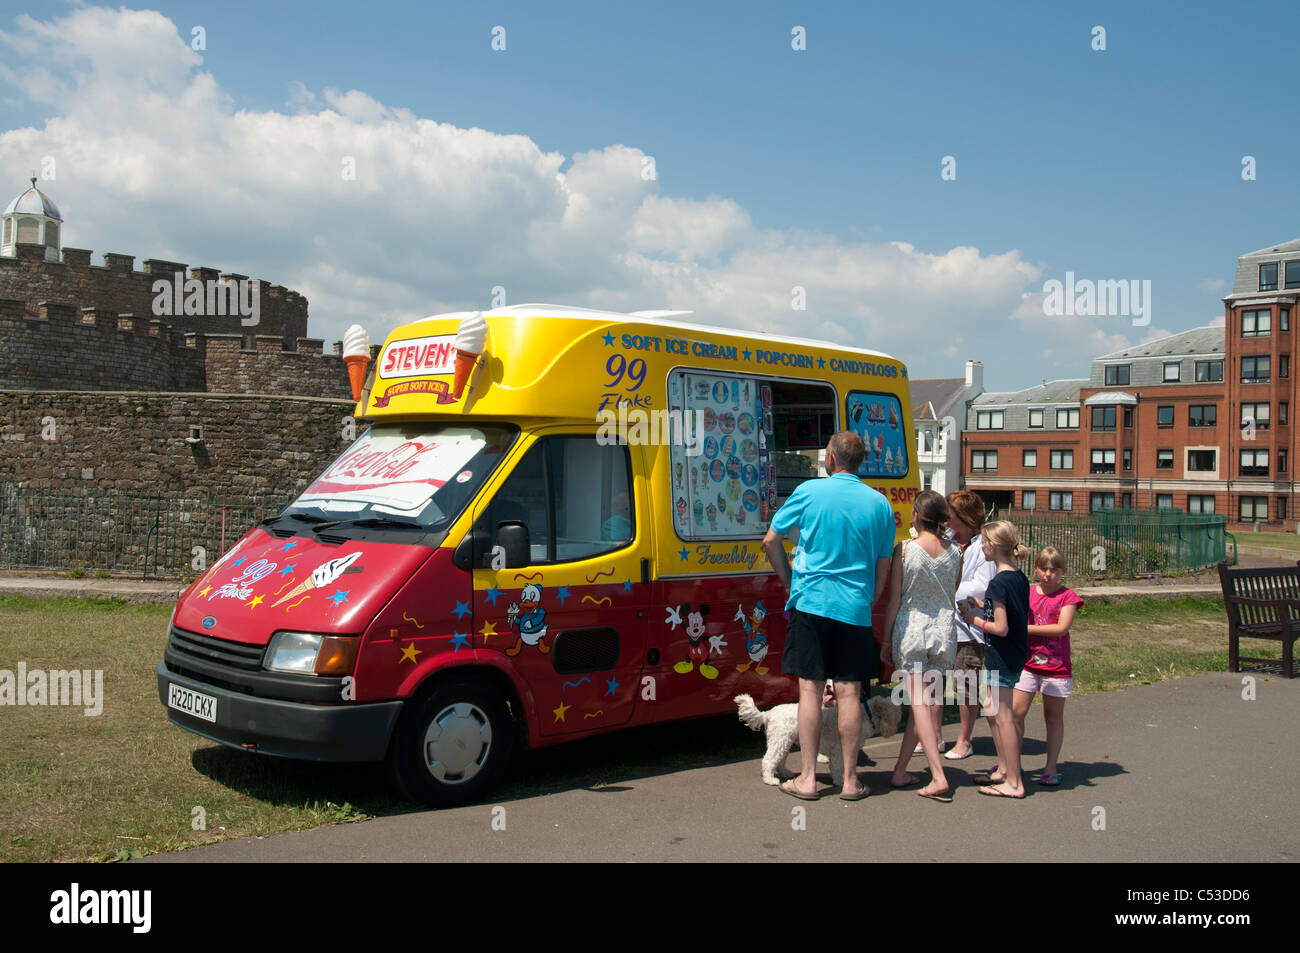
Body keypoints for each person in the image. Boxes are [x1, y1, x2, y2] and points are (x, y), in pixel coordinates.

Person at [762, 431, 895, 801]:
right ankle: (850, 781)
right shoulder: (879, 504)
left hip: (812, 604)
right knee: (850, 691)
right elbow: (884, 563)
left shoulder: (808, 492)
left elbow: (771, 540)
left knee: (810, 690)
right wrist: (870, 598)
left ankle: (807, 777)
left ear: (831, 460)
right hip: (854, 609)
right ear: (860, 462)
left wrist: (790, 583)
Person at [879, 490, 962, 801]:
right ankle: (900, 770)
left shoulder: (906, 550)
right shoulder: (957, 552)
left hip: (912, 630)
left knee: (918, 704)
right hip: (943, 632)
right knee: (922, 706)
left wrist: (886, 639)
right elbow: (950, 593)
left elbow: (894, 600)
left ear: (916, 516)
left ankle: (937, 775)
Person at [958, 520, 1030, 799]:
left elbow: (1001, 627)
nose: (981, 547)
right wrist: (983, 605)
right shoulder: (1017, 577)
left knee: (1003, 717)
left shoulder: (998, 583)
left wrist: (973, 619)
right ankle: (1003, 769)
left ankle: (1014, 781)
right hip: (1014, 653)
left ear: (993, 546)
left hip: (1002, 654)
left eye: (984, 542)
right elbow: (1009, 613)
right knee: (992, 707)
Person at [1013, 546, 1082, 786]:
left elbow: (1061, 628)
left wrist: (1026, 629)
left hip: (1057, 667)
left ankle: (1050, 767)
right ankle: (1012, 763)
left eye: (1054, 570)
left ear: (1062, 571)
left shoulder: (1068, 597)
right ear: (1035, 569)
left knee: (1053, 718)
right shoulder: (1028, 593)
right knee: (1015, 713)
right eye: (1043, 568)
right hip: (1028, 664)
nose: (1048, 574)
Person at [943, 490, 996, 761]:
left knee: (966, 683)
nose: (945, 517)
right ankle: (935, 736)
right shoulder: (946, 543)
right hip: (943, 625)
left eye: (949, 513)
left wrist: (946, 589)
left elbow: (982, 586)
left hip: (969, 628)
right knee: (934, 680)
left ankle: (965, 739)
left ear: (962, 517)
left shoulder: (983, 547)